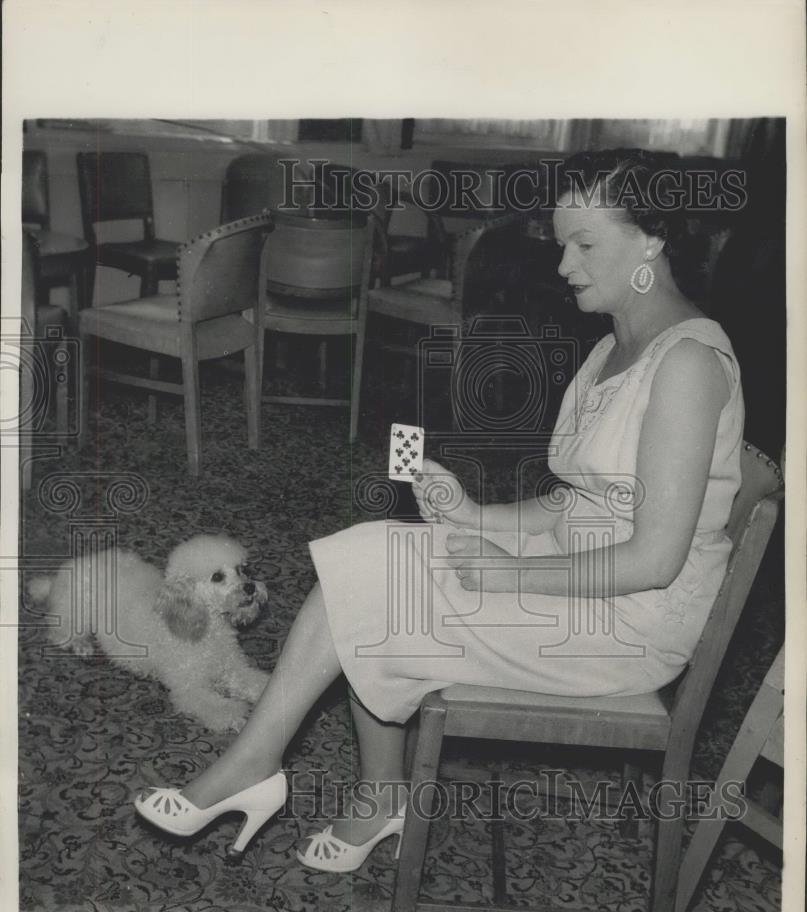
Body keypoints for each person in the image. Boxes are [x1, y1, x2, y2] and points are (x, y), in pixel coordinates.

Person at [135, 148, 745, 872]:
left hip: (626, 625)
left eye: (585, 244)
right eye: (561, 245)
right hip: (579, 577)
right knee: (375, 549)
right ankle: (317, 779)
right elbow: (572, 502)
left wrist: (507, 576)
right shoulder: (616, 345)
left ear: (651, 239)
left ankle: (285, 773)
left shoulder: (686, 365)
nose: (563, 266)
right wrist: (473, 514)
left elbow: (653, 559)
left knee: (379, 585)